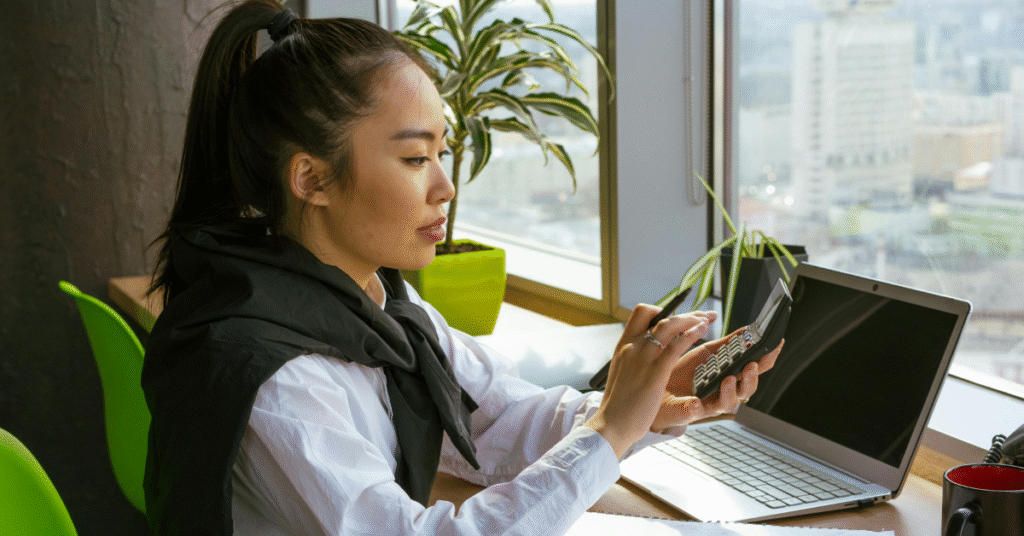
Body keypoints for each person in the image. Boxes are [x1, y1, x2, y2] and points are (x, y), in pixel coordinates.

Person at [142, 1, 783, 534]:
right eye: (416, 159)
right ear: (312, 177)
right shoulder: (275, 374)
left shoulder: (378, 304)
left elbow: (497, 420)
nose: (446, 187)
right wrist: (609, 430)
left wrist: (644, 406)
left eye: (442, 153)